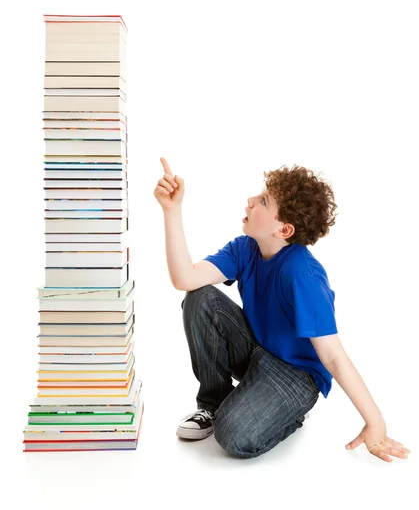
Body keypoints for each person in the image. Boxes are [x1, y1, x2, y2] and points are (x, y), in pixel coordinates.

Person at [154, 157, 411, 462]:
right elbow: (186, 278)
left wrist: (375, 421)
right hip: (257, 351)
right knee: (200, 297)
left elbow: (333, 355)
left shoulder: (303, 274)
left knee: (234, 436)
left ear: (284, 229)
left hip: (296, 374)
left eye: (263, 201)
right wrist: (172, 210)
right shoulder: (244, 248)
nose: (250, 202)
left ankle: (286, 414)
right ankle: (213, 404)